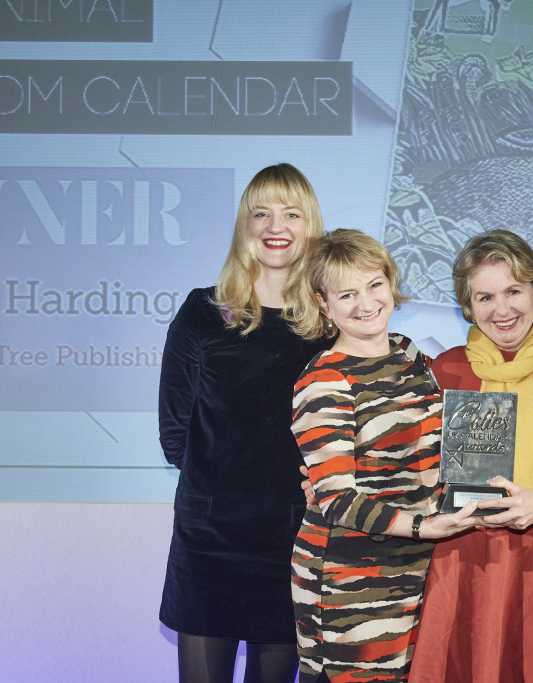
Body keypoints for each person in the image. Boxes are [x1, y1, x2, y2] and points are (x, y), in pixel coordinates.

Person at [409, 230, 533, 683]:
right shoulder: (446, 370)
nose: (501, 310)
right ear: (467, 305)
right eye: (485, 296)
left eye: (513, 291)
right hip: (461, 557)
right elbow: (413, 466)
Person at [157, 163, 329, 683]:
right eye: (262, 213)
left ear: (310, 226)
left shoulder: (328, 325)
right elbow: (174, 436)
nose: (276, 226)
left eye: (291, 213)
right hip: (210, 542)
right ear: (244, 225)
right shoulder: (202, 313)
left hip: (294, 539)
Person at [288, 229, 482, 683]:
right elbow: (336, 500)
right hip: (348, 578)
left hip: (414, 569)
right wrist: (424, 527)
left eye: (375, 284)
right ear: (323, 302)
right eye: (347, 293)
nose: (366, 302)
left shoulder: (408, 353)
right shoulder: (323, 381)